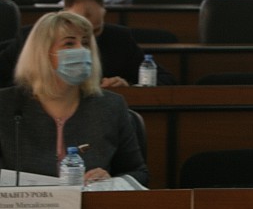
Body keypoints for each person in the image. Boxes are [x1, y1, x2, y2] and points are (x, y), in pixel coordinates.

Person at [0, 11, 149, 186]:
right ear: (43, 53)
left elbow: (139, 173)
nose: (82, 50)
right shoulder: (5, 105)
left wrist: (111, 181)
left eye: (85, 43)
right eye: (69, 43)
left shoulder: (111, 106)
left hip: (90, 203)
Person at [0, 0, 177, 88]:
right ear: (64, 14)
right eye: (72, 38)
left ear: (104, 14)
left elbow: (165, 78)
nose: (85, 42)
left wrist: (129, 86)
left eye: (94, 31)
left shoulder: (119, 39)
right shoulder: (33, 37)